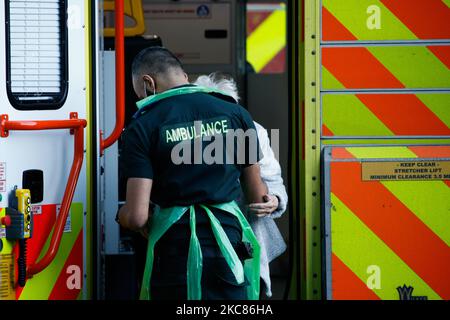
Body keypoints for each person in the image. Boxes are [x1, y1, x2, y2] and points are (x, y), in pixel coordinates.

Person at [116, 47, 268, 300]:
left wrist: (121, 214)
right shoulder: (236, 113)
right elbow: (256, 194)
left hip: (174, 253)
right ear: (184, 76)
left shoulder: (143, 125)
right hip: (229, 249)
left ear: (147, 83)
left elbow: (136, 217)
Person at [194, 73, 288, 298]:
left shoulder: (255, 131)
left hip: (243, 232)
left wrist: (274, 200)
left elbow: (274, 181)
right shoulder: (189, 131)